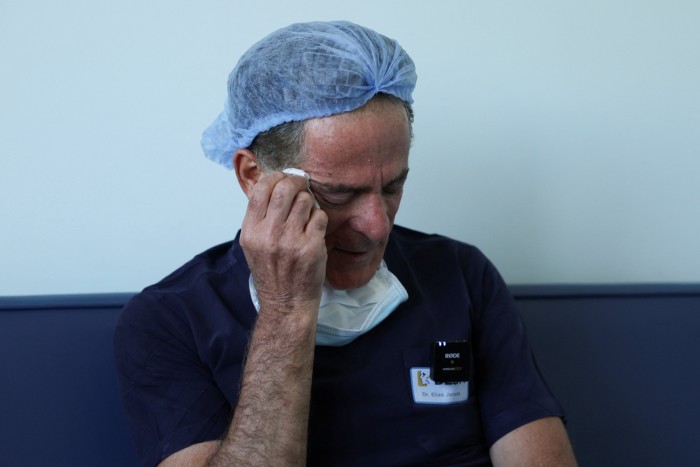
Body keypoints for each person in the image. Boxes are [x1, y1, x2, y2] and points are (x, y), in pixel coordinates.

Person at [114, 20, 577, 466]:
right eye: (338, 193)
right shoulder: (170, 321)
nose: (377, 226)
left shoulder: (460, 274)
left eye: (393, 186)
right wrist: (286, 311)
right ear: (254, 178)